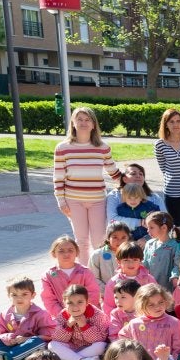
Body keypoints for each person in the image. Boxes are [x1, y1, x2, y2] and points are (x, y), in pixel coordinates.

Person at [53, 106, 118, 264]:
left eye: (87, 119)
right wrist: (60, 201)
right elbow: (58, 177)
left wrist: (132, 182)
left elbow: (113, 170)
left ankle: (100, 271)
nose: (83, 123)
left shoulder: (102, 147)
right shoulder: (63, 148)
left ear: (93, 124)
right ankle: (83, 273)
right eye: (79, 119)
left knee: (99, 240)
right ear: (73, 123)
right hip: (73, 200)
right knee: (81, 240)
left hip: (97, 199)